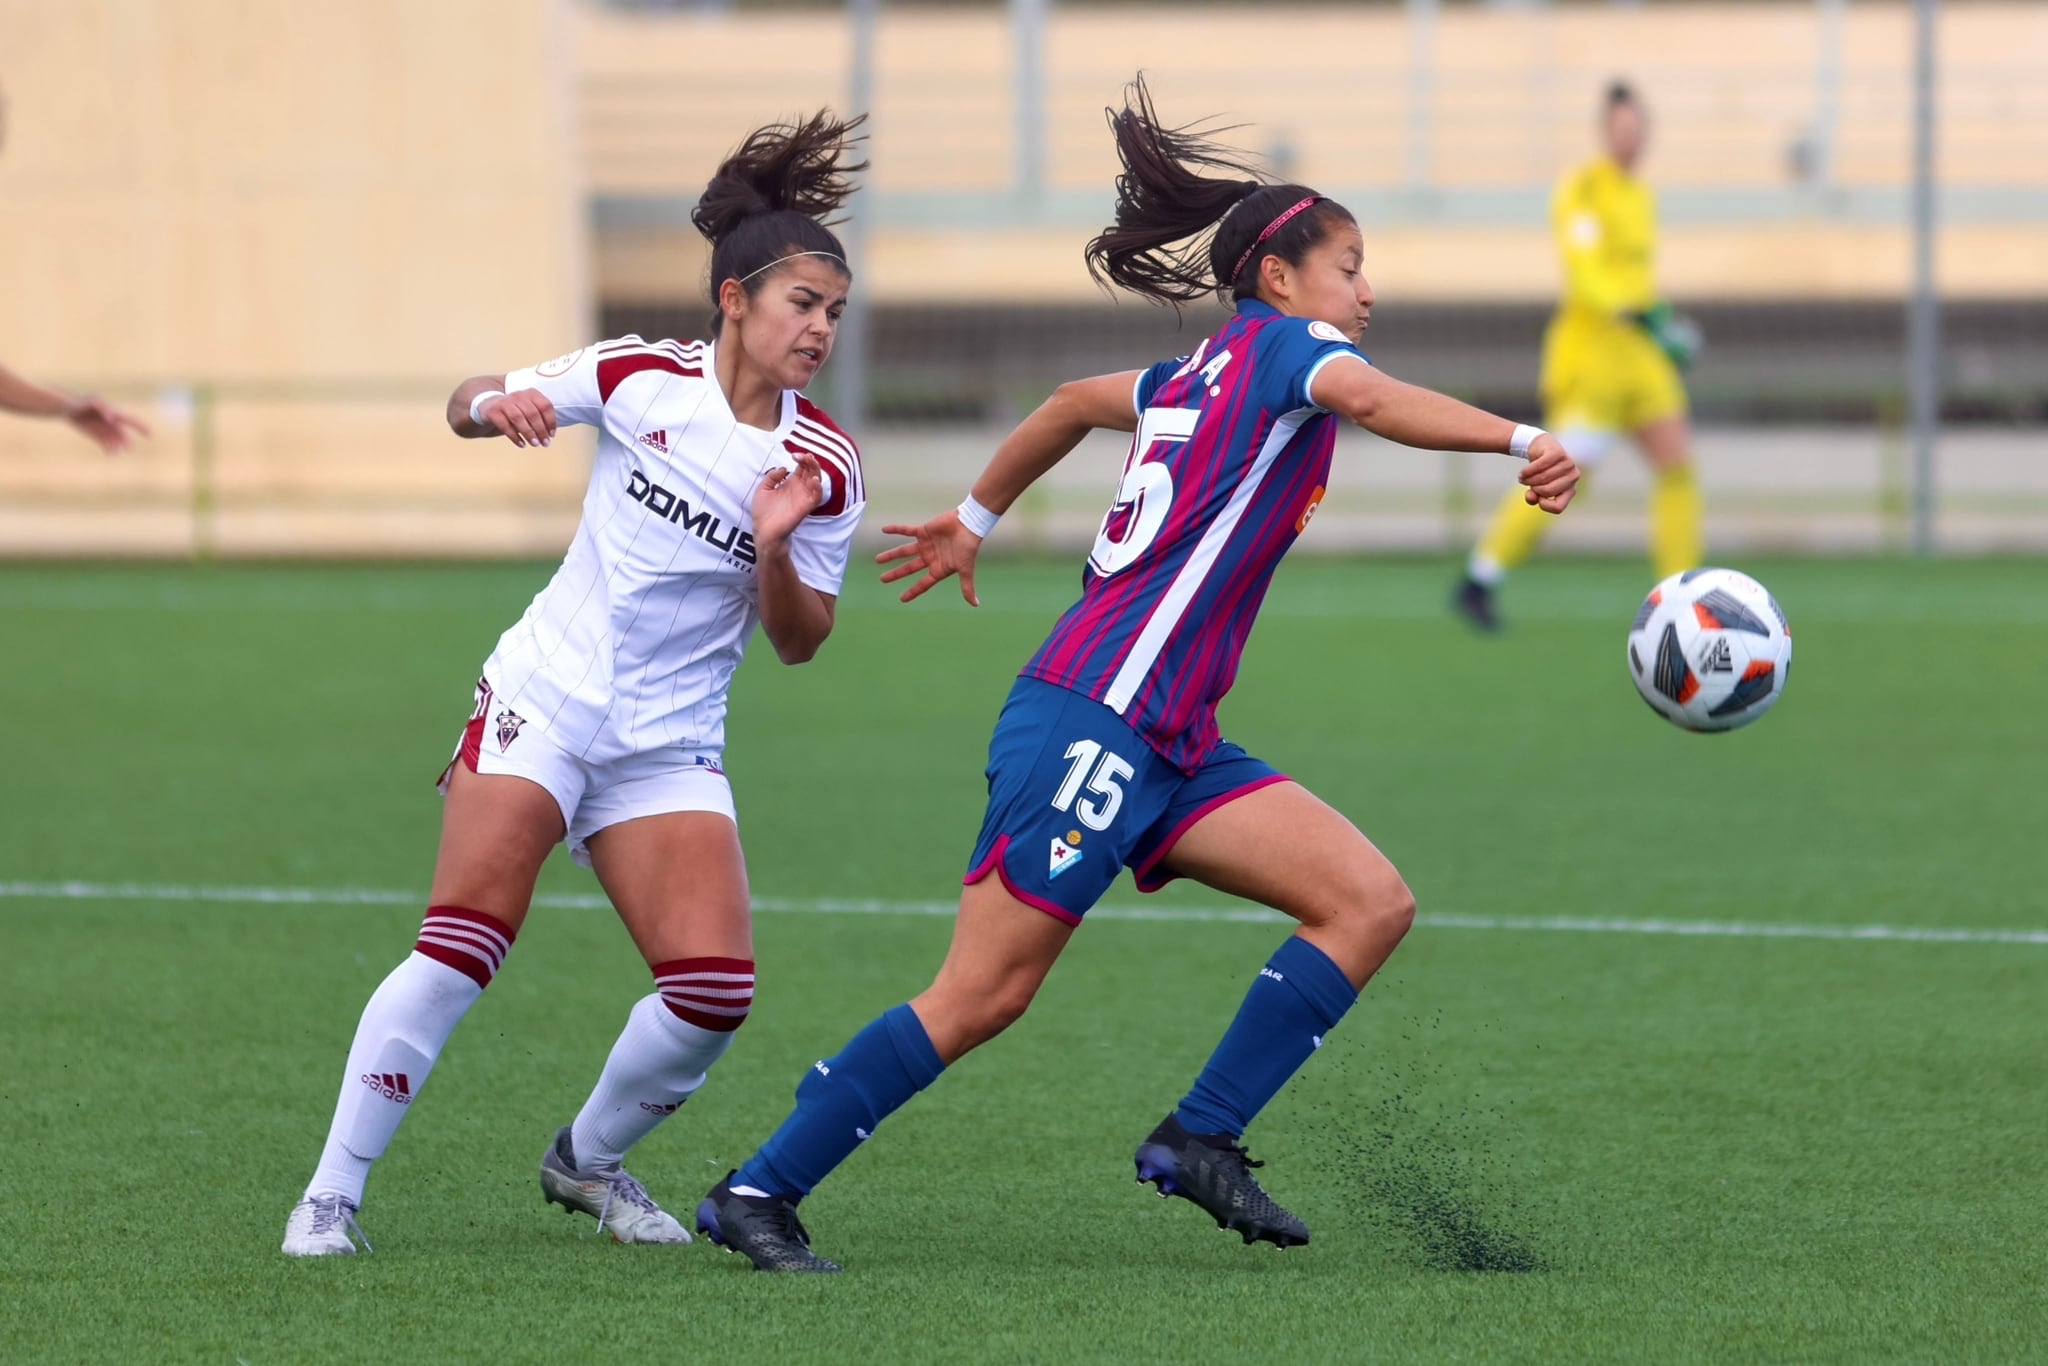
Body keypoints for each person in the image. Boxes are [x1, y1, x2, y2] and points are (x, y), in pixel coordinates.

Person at [693, 77, 1580, 1273]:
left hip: (1171, 738)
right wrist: (1522, 437)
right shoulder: (1285, 352)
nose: (1365, 291)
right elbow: (1366, 397)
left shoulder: (1192, 374)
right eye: (1347, 265)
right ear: (1279, 279)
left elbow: (1065, 403)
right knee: (982, 995)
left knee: (1368, 901)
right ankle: (758, 1188)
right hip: (1092, 722)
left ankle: (1199, 1135)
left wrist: (971, 518)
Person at [281, 111, 870, 1256]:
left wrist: (775, 543)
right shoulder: (639, 375)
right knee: (460, 945)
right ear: (734, 299)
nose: (820, 330)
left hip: (666, 744)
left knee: (712, 993)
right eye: (803, 303)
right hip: (544, 699)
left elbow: (801, 643)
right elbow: (470, 395)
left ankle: (586, 1163)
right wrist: (489, 407)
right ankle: (332, 1192)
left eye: (835, 313)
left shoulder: (824, 466)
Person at [1454, 80, 1701, 631]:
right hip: (1592, 361)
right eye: (1622, 128)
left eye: (1639, 129)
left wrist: (1664, 328)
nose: (1631, 138)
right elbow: (1587, 274)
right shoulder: (1582, 190)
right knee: (1562, 477)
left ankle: (1681, 593)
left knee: (1677, 465)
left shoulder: (1642, 195)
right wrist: (1640, 314)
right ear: (1606, 131)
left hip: (1641, 360)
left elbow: (1639, 282)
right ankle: (1479, 577)